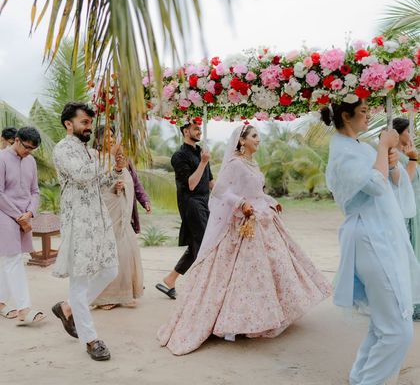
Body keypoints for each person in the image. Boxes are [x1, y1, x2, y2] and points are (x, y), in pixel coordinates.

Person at [157, 124, 332, 355]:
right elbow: (219, 191)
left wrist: (270, 200)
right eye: (254, 136)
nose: (258, 140)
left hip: (262, 219)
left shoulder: (252, 162)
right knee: (245, 273)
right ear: (242, 141)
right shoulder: (234, 163)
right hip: (243, 224)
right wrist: (240, 203)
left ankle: (271, 314)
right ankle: (235, 319)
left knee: (274, 267)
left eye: (258, 135)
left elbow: (255, 191)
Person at [323, 100, 420, 385]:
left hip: (383, 234)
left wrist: (392, 167)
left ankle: (359, 378)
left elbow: (389, 186)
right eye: (364, 112)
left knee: (382, 324)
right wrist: (382, 147)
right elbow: (373, 186)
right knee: (399, 331)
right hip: (369, 237)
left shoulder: (360, 147)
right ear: (345, 115)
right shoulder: (342, 152)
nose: (369, 116)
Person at [51, 102, 125, 361]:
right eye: (84, 122)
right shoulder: (62, 149)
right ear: (68, 124)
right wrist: (106, 157)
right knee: (79, 282)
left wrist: (115, 170)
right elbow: (82, 176)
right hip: (78, 224)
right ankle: (91, 339)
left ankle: (67, 307)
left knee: (110, 270)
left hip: (99, 221)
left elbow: (100, 181)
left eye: (89, 123)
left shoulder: (91, 153)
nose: (88, 128)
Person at [156, 121, 213, 299]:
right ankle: (203, 287)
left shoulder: (201, 153)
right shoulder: (179, 156)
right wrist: (203, 163)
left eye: (199, 128)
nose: (199, 131)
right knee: (205, 245)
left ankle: (170, 279)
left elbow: (210, 182)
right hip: (191, 203)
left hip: (205, 201)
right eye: (195, 128)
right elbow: (191, 184)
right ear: (185, 131)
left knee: (198, 244)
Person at [90, 125, 143, 310]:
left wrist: (120, 182)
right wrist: (113, 187)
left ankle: (122, 294)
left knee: (126, 252)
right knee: (111, 253)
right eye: (106, 136)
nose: (111, 139)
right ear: (97, 139)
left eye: (112, 135)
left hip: (121, 213)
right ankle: (105, 297)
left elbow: (131, 181)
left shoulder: (117, 158)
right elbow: (94, 186)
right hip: (105, 212)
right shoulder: (94, 158)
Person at [0, 126, 45, 325]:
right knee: (13, 258)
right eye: (26, 147)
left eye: (32, 149)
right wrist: (19, 216)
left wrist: (30, 212)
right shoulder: (1, 158)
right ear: (16, 140)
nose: (28, 152)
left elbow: (35, 191)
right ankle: (24, 308)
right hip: (4, 213)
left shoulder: (31, 161)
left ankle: (0, 303)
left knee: (9, 259)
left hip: (24, 216)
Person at [393, 117, 420, 320]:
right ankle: (408, 303)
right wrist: (413, 159)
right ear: (400, 133)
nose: (411, 135)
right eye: (409, 131)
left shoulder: (405, 153)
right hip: (408, 213)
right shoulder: (397, 157)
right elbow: (403, 182)